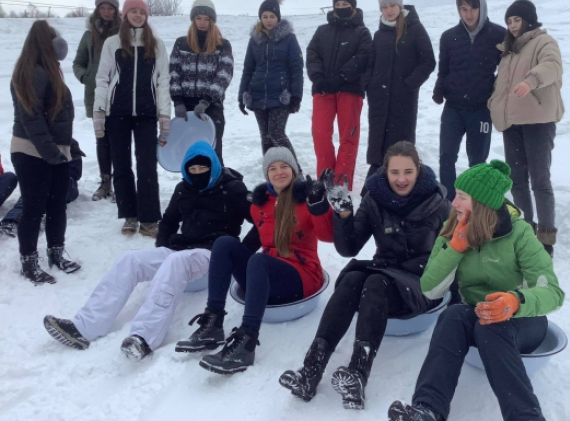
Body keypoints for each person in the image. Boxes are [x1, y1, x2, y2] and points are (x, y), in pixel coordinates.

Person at [386, 160, 565, 421]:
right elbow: (430, 290)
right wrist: (455, 248)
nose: (454, 203)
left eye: (461, 197)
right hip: (476, 314)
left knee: (491, 325)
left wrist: (515, 301)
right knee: (452, 316)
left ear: (481, 204)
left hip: (523, 320)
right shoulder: (452, 230)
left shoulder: (520, 234)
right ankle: (427, 410)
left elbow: (553, 292)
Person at [43, 141, 253, 359]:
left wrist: (241, 252)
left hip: (213, 253)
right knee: (131, 259)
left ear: (214, 166)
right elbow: (169, 220)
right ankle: (84, 327)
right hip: (183, 249)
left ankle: (143, 338)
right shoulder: (184, 188)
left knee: (175, 263)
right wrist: (162, 246)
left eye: (203, 168)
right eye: (193, 169)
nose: (197, 173)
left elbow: (260, 220)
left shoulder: (232, 188)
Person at [280, 141, 450, 410]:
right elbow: (349, 248)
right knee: (352, 278)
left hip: (422, 280)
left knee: (374, 281)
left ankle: (358, 373)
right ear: (385, 172)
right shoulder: (375, 198)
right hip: (386, 272)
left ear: (418, 170)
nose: (401, 179)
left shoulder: (439, 203)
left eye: (408, 171)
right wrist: (344, 214)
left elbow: (457, 252)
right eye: (395, 172)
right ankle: (311, 369)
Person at [176, 147, 334, 376]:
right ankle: (213, 323)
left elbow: (328, 236)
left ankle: (247, 341)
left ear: (294, 170)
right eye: (272, 168)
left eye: (284, 167)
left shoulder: (306, 199)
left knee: (259, 261)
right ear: (266, 174)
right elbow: (255, 239)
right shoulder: (260, 205)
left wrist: (320, 208)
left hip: (302, 275)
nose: (279, 172)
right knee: (224, 244)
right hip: (268, 275)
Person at [488, 0, 564, 256]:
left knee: (540, 180)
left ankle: (546, 238)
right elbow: (501, 87)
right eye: (509, 21)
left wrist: (531, 81)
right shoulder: (509, 51)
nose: (512, 26)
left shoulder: (544, 42)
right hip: (513, 124)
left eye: (516, 20)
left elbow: (552, 67)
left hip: (538, 122)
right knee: (517, 181)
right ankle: (526, 232)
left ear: (528, 20)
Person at [10, 20, 81, 284]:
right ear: (44, 43)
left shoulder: (48, 71)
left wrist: (68, 143)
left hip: (53, 150)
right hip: (31, 152)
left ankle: (56, 253)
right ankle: (29, 262)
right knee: (34, 208)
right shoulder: (31, 72)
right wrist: (51, 151)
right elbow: (33, 120)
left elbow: (55, 115)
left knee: (56, 206)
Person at [94, 0, 171, 237]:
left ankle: (149, 220)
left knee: (147, 166)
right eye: (133, 11)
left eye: (142, 12)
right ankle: (129, 215)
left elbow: (163, 82)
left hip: (146, 115)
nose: (138, 15)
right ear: (125, 15)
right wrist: (99, 113)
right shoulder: (112, 43)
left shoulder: (156, 44)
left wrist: (164, 116)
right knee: (122, 165)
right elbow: (102, 79)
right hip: (117, 114)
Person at [363, 0, 435, 195]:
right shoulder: (379, 34)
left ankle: (402, 185)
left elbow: (428, 61)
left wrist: (408, 84)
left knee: (400, 144)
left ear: (400, 5)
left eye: (392, 5)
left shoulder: (414, 29)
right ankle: (375, 185)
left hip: (403, 100)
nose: (389, 10)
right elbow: (370, 64)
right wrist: (370, 85)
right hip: (379, 100)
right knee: (378, 143)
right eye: (384, 6)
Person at [433, 0, 506, 202]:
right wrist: (438, 89)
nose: (469, 14)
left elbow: (507, 70)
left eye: (473, 8)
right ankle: (449, 203)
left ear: (481, 8)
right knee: (446, 157)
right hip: (453, 108)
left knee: (477, 161)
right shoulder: (448, 37)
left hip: (480, 110)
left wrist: (497, 93)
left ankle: (475, 204)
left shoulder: (499, 35)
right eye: (463, 9)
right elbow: (443, 68)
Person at [307, 0, 372, 191]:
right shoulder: (322, 31)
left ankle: (342, 181)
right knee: (320, 133)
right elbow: (312, 53)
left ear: (353, 6)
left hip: (350, 90)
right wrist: (317, 77)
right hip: (323, 89)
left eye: (346, 4)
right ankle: (325, 178)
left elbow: (363, 56)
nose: (341, 7)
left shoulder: (361, 32)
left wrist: (342, 76)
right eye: (338, 4)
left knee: (348, 135)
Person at [238, 0, 304, 170]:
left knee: (276, 133)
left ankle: (295, 171)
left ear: (278, 17)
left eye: (272, 16)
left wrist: (296, 95)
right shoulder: (254, 40)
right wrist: (241, 95)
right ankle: (272, 175)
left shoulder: (289, 39)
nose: (268, 20)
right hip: (258, 95)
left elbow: (297, 68)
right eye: (264, 16)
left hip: (281, 95)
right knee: (265, 137)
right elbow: (248, 69)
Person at [170, 0, 233, 165]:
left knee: (212, 153)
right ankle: (192, 189)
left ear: (212, 21)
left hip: (211, 106)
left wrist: (206, 100)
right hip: (186, 108)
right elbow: (174, 72)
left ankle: (217, 188)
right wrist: (177, 101)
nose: (203, 23)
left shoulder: (223, 45)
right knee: (190, 155)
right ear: (193, 20)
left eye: (207, 19)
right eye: (198, 18)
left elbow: (224, 75)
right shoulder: (181, 43)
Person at [73, 0, 121, 202]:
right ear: (97, 10)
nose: (106, 12)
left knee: (120, 140)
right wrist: (86, 77)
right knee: (102, 140)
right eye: (103, 8)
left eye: (110, 8)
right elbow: (78, 62)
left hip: (119, 94)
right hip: (96, 95)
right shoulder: (88, 35)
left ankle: (121, 183)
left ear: (116, 10)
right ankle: (105, 182)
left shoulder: (123, 33)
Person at [1, 139, 85, 237]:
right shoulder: (37, 144)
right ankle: (11, 220)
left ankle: (40, 216)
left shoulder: (69, 142)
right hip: (41, 184)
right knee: (33, 191)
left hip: (66, 185)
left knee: (51, 186)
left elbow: (75, 173)